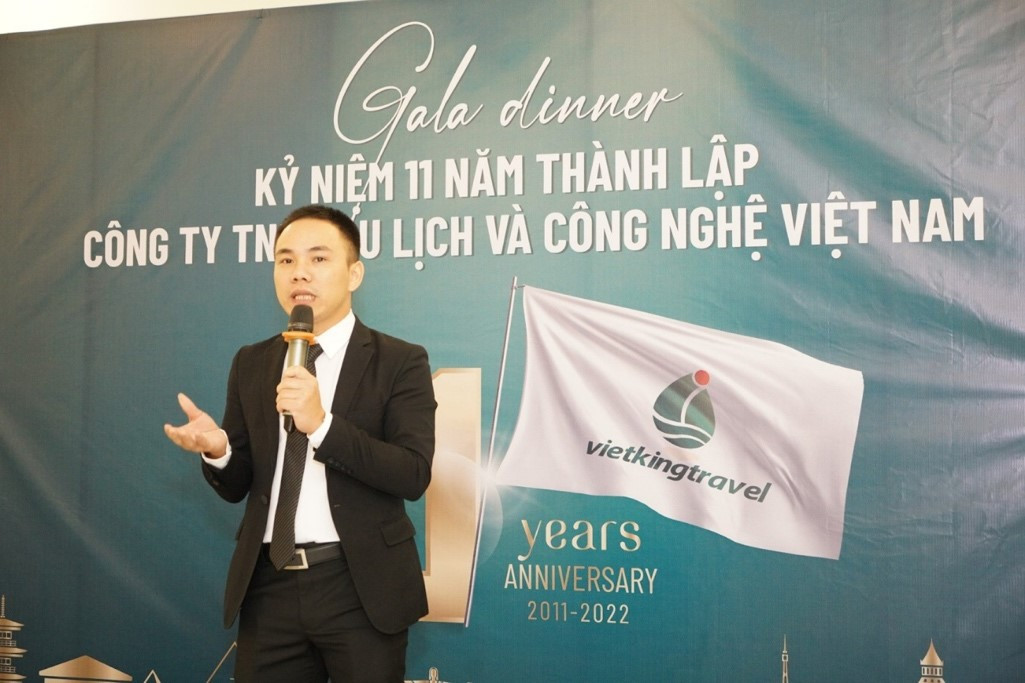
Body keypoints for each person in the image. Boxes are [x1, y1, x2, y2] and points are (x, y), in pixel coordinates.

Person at [164, 204, 436, 682]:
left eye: (318, 258)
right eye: (285, 259)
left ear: (354, 274)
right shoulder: (252, 361)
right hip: (269, 586)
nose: (299, 272)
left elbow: (412, 473)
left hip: (360, 587)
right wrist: (218, 450)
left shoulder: (399, 361)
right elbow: (239, 485)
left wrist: (322, 425)